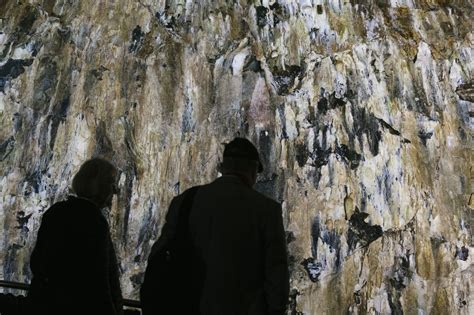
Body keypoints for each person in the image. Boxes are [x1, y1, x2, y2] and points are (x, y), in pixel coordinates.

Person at [142, 137, 289, 315]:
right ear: (252, 170)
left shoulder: (185, 201)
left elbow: (159, 253)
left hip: (188, 305)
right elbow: (276, 273)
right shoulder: (267, 210)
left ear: (223, 167)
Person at [26, 158, 123, 315]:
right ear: (100, 186)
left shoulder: (56, 212)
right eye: (111, 184)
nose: (115, 191)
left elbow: (37, 262)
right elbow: (99, 280)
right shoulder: (95, 222)